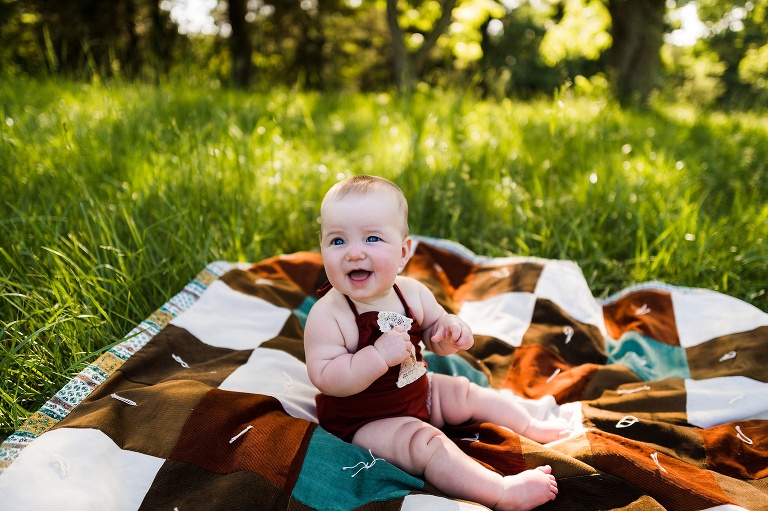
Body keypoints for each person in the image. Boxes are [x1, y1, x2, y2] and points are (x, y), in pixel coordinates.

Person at [304, 175, 571, 511]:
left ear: (403, 252)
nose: (354, 253)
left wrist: (449, 331)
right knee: (427, 443)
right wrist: (377, 356)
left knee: (465, 391)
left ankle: (530, 425)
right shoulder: (329, 315)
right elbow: (327, 377)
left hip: (419, 390)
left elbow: (433, 333)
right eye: (337, 241)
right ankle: (501, 492)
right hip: (366, 423)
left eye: (372, 238)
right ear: (322, 248)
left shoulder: (412, 293)